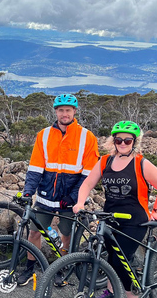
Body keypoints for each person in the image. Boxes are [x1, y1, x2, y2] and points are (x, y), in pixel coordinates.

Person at [73, 121, 157, 298]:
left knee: (119, 260)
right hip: (110, 218)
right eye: (118, 140)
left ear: (134, 142)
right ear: (113, 141)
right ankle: (112, 291)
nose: (122, 143)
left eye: (127, 141)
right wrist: (80, 202)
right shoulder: (105, 162)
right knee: (112, 259)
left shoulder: (141, 164)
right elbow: (88, 184)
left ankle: (131, 294)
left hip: (135, 220)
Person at [18, 93, 100, 287]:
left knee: (66, 234)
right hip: (46, 195)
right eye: (61, 110)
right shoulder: (44, 135)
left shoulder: (87, 137)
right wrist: (28, 191)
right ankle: (30, 268)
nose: (64, 114)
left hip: (69, 199)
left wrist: (72, 197)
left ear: (74, 112)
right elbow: (36, 168)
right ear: (55, 111)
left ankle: (61, 268)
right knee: (34, 233)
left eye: (68, 110)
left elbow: (89, 175)